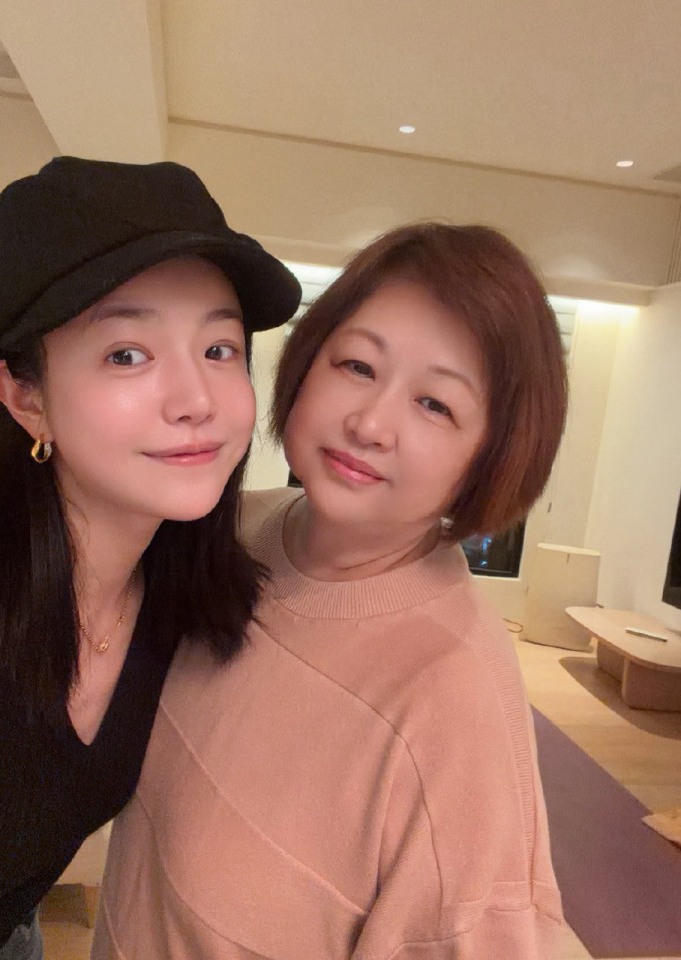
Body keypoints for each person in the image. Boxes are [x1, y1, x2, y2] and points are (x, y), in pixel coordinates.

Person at [94, 222, 567, 958]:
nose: (370, 423)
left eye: (436, 405)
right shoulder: (225, 530)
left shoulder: (454, 703)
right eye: (356, 365)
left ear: (491, 456)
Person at [0, 156, 301, 960]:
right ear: (24, 396)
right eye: (126, 354)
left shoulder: (180, 588)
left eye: (219, 348)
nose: (197, 400)